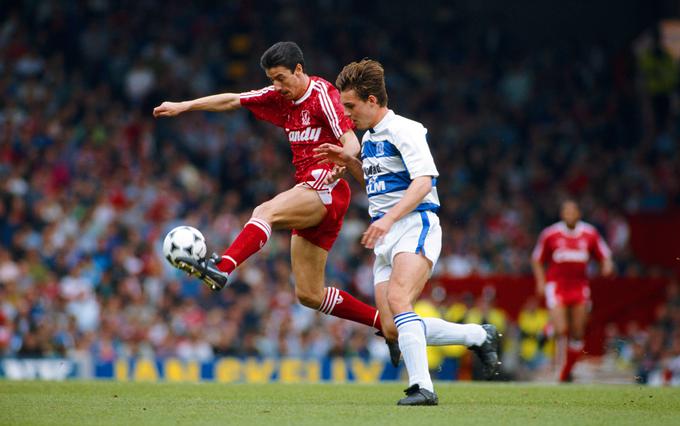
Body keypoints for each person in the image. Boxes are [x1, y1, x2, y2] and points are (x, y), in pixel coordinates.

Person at [153, 42, 397, 359]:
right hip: (310, 194)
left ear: (299, 70)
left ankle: (223, 268)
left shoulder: (322, 95)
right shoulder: (279, 96)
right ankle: (386, 325)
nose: (277, 86)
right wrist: (184, 106)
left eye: (281, 77)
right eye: (272, 79)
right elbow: (232, 100)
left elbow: (351, 143)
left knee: (264, 211)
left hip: (328, 189)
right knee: (309, 294)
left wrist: (336, 169)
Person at [314, 59, 500, 406]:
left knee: (400, 300)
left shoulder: (406, 129)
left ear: (372, 100)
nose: (347, 115)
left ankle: (422, 388)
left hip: (415, 223)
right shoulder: (369, 139)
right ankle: (477, 335)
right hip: (386, 234)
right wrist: (349, 163)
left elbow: (424, 181)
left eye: (351, 106)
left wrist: (387, 219)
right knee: (391, 327)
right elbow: (375, 187)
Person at [531, 199, 614, 382]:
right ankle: (560, 369)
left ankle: (566, 368)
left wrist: (607, 265)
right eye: (566, 212)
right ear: (562, 215)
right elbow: (537, 259)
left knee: (577, 332)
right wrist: (540, 281)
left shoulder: (589, 233)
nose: (569, 215)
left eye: (572, 212)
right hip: (557, 285)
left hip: (579, 286)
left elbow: (605, 254)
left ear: (578, 214)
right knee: (562, 329)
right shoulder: (550, 234)